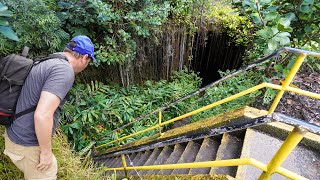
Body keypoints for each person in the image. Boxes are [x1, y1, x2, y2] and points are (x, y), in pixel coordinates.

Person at [3, 35, 96, 179]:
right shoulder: (64, 71)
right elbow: (42, 115)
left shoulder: (50, 61)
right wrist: (46, 153)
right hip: (27, 144)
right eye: (89, 61)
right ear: (84, 57)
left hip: (15, 133)